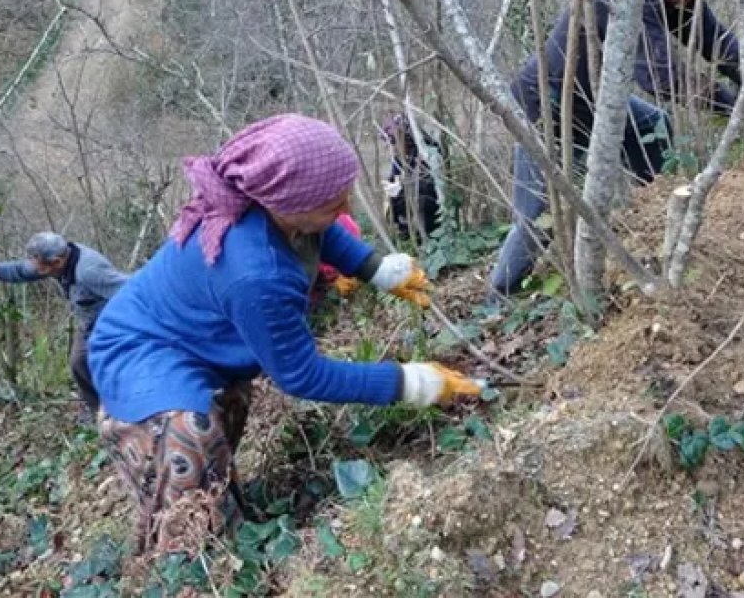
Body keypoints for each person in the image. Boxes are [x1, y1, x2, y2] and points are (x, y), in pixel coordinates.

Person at [87, 114, 484, 554]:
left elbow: (323, 233)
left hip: (190, 339)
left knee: (224, 409)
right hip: (136, 352)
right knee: (191, 435)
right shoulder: (256, 272)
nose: (346, 210)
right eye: (333, 204)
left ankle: (221, 509)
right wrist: (409, 382)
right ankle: (193, 558)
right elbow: (301, 375)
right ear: (288, 203)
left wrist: (377, 271)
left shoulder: (273, 204)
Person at [488, 0, 741, 298]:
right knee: (537, 216)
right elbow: (660, 75)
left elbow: (715, 41)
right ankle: (498, 296)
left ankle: (653, 219)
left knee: (655, 126)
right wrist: (730, 103)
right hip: (548, 104)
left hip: (597, 102)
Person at [0, 232, 128, 417]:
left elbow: (129, 291)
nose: (35, 269)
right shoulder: (57, 261)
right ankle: (99, 411)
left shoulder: (89, 271)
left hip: (113, 321)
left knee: (106, 362)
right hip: (89, 322)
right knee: (79, 363)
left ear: (56, 262)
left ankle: (122, 407)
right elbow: (21, 270)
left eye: (39, 266)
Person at [381, 114, 444, 241]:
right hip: (409, 212)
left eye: (394, 142)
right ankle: (406, 232)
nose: (393, 147)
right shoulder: (399, 159)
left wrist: (403, 188)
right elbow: (393, 178)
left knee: (421, 199)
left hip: (431, 211)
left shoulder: (426, 152)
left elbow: (432, 185)